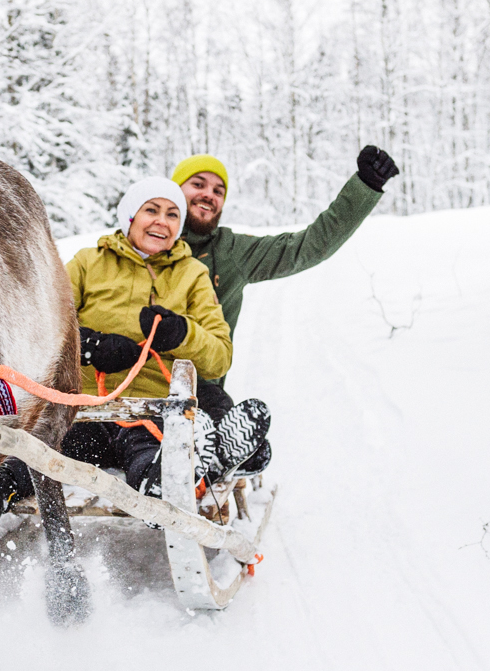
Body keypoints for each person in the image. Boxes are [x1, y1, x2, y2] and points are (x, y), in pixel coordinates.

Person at [0, 176, 261, 531]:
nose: (162, 221)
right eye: (152, 210)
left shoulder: (192, 274)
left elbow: (220, 356)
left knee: (147, 454)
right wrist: (89, 346)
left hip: (150, 406)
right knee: (41, 454)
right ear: (131, 215)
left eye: (172, 214)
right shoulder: (88, 262)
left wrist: (182, 332)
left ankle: (166, 487)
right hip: (83, 408)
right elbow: (42, 320)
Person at [167, 145, 398, 471]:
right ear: (174, 189)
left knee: (240, 446)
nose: (209, 195)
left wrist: (365, 185)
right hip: (132, 381)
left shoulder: (231, 252)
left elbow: (309, 245)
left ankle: (217, 454)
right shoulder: (146, 240)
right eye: (198, 184)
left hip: (201, 392)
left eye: (218, 190)